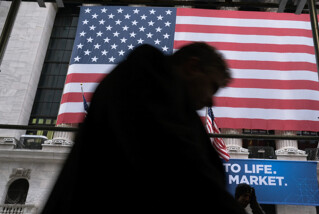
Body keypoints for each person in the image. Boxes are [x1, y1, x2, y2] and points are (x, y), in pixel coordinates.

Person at [41, 42, 246, 214]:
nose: (212, 101)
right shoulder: (146, 76)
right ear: (192, 67)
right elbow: (182, 167)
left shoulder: (158, 89)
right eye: (213, 87)